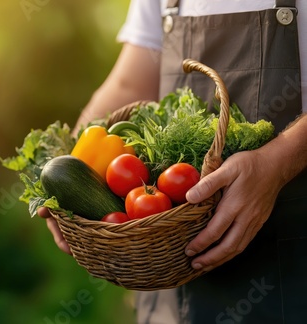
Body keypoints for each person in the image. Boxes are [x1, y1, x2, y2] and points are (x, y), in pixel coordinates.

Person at [39, 0, 307, 323]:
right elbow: (131, 82)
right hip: (168, 277)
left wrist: (278, 162)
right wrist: (67, 170)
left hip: (288, 259)